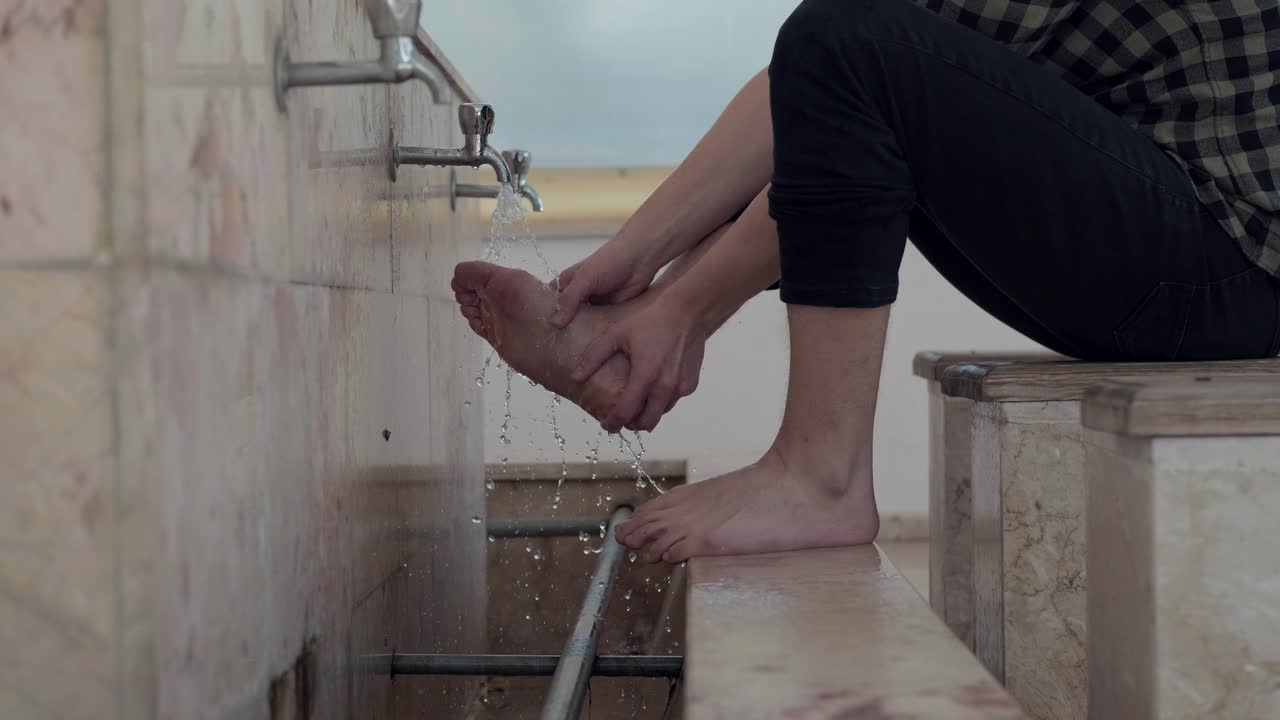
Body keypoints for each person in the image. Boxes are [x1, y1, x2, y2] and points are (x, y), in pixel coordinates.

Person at [454, 0, 1280, 563]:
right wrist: (633, 265)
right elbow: (822, 101)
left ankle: (821, 477)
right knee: (845, 49)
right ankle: (627, 338)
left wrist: (683, 308)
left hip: (1238, 272)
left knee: (848, 44)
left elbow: (849, 70)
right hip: (1200, 259)